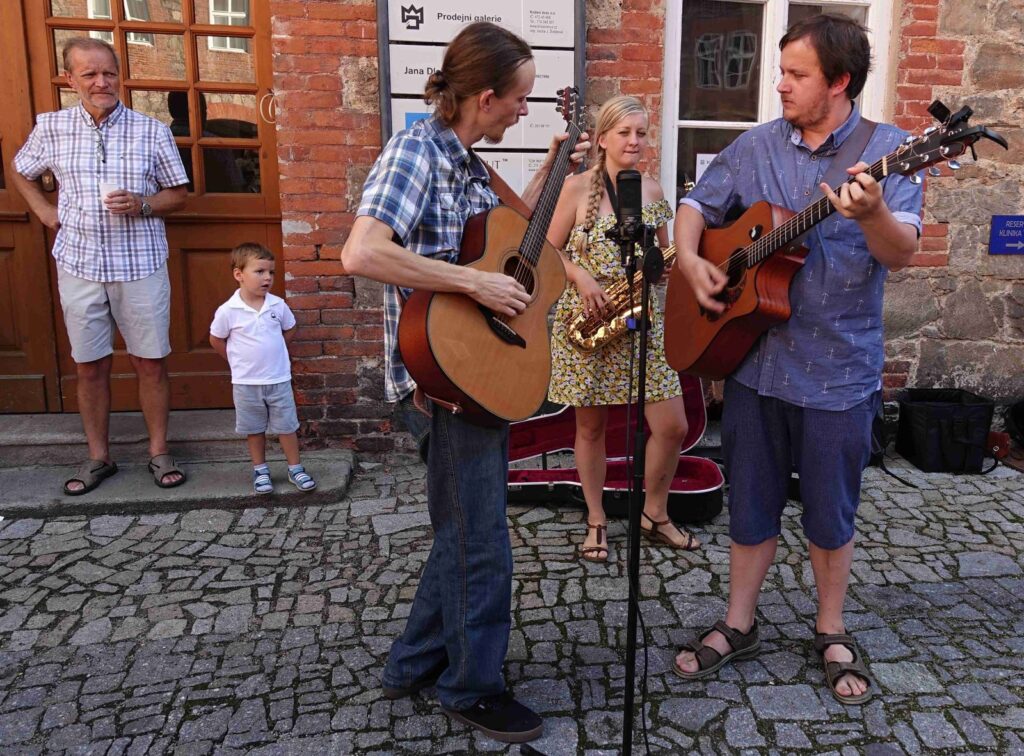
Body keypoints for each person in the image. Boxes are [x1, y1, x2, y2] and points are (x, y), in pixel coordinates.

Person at [341, 21, 589, 744]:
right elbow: (363, 252)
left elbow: (517, 231)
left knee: (462, 530)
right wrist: (472, 284)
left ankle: (413, 662)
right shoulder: (416, 152)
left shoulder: (469, 163)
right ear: (485, 97)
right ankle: (470, 687)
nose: (522, 108)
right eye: (519, 98)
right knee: (481, 542)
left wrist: (553, 166)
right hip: (440, 379)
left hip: (478, 371)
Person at [671, 14, 923, 704]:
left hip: (838, 371)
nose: (779, 85)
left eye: (796, 74)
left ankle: (831, 629)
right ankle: (738, 622)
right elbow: (695, 205)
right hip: (754, 364)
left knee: (830, 513)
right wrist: (690, 260)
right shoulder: (755, 145)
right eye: (782, 72)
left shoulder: (890, 151)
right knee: (750, 505)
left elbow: (901, 252)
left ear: (839, 82)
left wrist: (870, 214)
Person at [10, 37, 189, 495]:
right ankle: (98, 457)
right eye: (89, 74)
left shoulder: (151, 130)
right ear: (70, 79)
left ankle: (158, 451)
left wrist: (143, 204)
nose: (101, 82)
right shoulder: (51, 127)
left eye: (108, 72)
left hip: (140, 262)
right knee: (89, 365)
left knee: (150, 362)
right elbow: (20, 169)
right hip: (79, 262)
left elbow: (178, 193)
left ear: (119, 76)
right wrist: (44, 211)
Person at [546, 95, 700, 562]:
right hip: (589, 319)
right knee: (591, 429)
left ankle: (655, 512)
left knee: (672, 426)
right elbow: (548, 249)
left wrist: (664, 269)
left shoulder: (652, 189)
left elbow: (664, 256)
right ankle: (596, 519)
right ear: (603, 138)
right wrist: (580, 275)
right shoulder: (576, 188)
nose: (634, 141)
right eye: (624, 133)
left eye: (641, 133)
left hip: (641, 323)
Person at [209, 243, 316, 495]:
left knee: (287, 427)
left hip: (278, 379)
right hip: (246, 383)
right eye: (259, 272)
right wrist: (235, 361)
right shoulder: (228, 311)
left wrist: (277, 350)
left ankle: (295, 468)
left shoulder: (277, 305)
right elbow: (216, 339)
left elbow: (290, 328)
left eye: (271, 272)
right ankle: (260, 470)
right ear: (239, 274)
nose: (267, 277)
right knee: (254, 429)